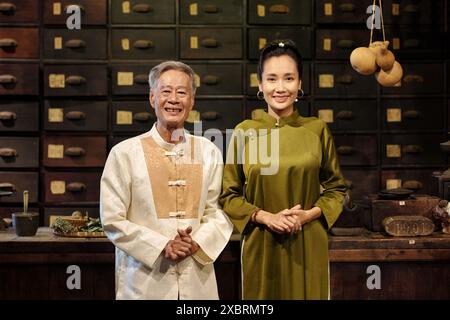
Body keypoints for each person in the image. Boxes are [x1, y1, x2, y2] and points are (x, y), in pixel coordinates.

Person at [219, 40, 347, 299]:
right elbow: (229, 196)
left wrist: (307, 216)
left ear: (300, 84)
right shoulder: (244, 132)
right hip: (261, 242)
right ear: (260, 84)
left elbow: (336, 190)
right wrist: (267, 217)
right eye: (272, 79)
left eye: (289, 78)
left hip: (308, 240)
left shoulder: (317, 129)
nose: (280, 88)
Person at [100, 60, 233, 300]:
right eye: (166, 91)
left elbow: (218, 212)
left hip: (196, 280)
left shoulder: (208, 151)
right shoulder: (124, 154)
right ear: (152, 98)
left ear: (192, 101)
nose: (174, 99)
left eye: (182, 92)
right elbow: (112, 219)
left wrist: (196, 243)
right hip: (144, 283)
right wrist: (162, 245)